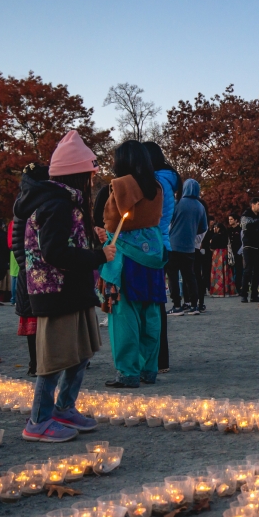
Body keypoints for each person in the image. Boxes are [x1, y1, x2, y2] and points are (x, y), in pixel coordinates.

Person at [19, 130, 114, 442]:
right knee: (56, 359)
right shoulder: (56, 204)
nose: (91, 181)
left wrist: (91, 234)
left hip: (73, 289)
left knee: (81, 352)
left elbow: (68, 239)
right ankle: (38, 420)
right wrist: (98, 255)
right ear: (77, 175)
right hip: (55, 291)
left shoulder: (67, 203)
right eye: (88, 175)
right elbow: (55, 252)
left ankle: (64, 407)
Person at [100, 140, 167, 388]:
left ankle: (128, 371)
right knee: (150, 312)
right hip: (153, 250)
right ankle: (149, 369)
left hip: (126, 253)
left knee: (124, 313)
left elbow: (110, 220)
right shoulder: (157, 187)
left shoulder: (120, 186)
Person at [144, 141, 179, 372]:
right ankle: (161, 358)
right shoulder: (167, 180)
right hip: (162, 241)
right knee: (156, 302)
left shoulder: (156, 183)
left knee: (154, 303)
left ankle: (158, 358)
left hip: (153, 244)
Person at [12, 163, 50, 375]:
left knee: (36, 315)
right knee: (40, 316)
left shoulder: (22, 200)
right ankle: (37, 363)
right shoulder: (37, 201)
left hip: (26, 266)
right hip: (33, 266)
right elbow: (21, 240)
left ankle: (36, 363)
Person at [166, 179, 208, 316]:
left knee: (172, 276)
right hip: (190, 247)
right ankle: (194, 305)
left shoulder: (177, 204)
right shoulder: (200, 207)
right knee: (190, 276)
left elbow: (167, 220)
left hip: (173, 245)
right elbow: (203, 227)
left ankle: (177, 305)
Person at [240, 197, 259, 302]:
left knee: (257, 271)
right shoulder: (246, 215)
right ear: (253, 205)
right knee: (248, 270)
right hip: (249, 246)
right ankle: (244, 294)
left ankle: (254, 294)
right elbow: (247, 226)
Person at [206, 220, 235, 296]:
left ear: (218, 228)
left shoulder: (215, 236)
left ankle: (218, 290)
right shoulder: (226, 236)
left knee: (217, 272)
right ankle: (228, 290)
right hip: (225, 253)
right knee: (226, 271)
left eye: (215, 227)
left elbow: (212, 248)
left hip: (217, 255)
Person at [227, 214, 243, 294]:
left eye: (231, 219)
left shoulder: (240, 230)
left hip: (238, 253)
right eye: (229, 219)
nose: (230, 221)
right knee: (230, 271)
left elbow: (242, 242)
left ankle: (238, 287)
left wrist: (239, 252)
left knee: (239, 271)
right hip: (230, 253)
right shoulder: (228, 231)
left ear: (236, 220)